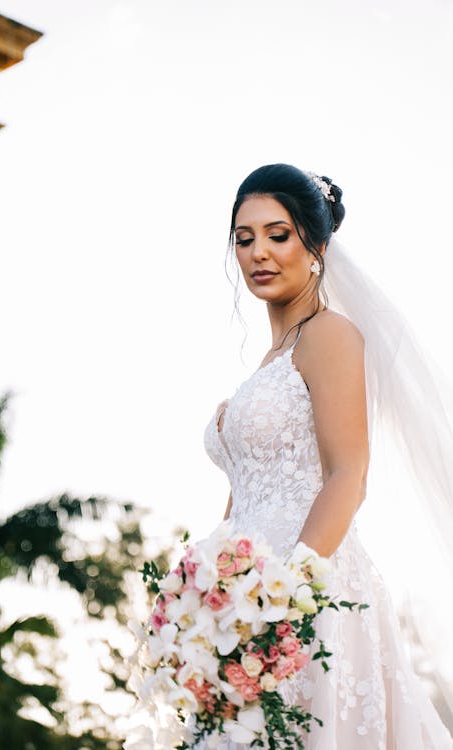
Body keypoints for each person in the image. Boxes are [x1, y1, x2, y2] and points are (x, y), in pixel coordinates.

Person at [203, 164, 453, 749]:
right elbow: (241, 498)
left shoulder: (331, 335)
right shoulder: (267, 366)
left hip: (309, 591)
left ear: (315, 246)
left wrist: (287, 595)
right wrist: (206, 601)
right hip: (241, 600)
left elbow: (348, 475)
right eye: (244, 239)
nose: (259, 252)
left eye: (277, 234)